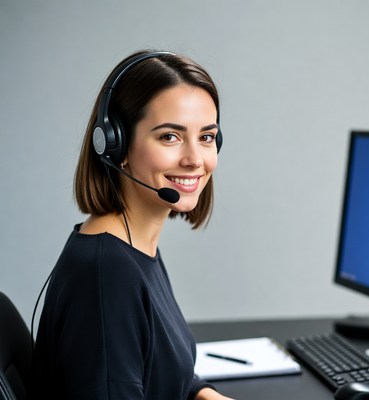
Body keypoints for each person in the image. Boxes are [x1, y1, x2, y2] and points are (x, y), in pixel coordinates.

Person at [28, 50, 233, 400]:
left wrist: (206, 395)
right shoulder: (108, 272)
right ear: (115, 144)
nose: (195, 160)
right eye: (170, 136)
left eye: (207, 137)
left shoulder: (135, 246)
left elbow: (165, 373)